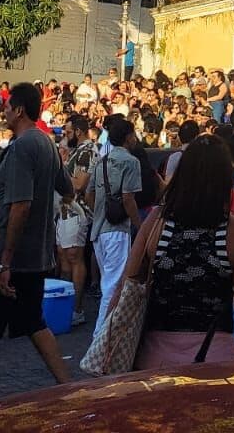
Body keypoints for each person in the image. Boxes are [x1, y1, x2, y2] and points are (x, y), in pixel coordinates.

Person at [0, 82, 75, 401]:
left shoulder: (21, 147)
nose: (2, 112)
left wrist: (5, 261)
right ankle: (70, 389)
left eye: (6, 107)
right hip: (36, 255)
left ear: (18, 110)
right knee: (33, 322)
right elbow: (67, 188)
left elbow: (21, 205)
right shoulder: (46, 143)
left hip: (6, 254)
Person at [125, 136, 234, 367]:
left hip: (155, 356)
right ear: (226, 179)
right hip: (215, 354)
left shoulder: (157, 222)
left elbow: (129, 282)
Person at [88, 115, 141, 331]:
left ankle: (103, 333)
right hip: (117, 230)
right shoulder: (131, 162)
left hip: (98, 230)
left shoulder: (101, 161)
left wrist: (100, 212)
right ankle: (101, 335)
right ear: (128, 137)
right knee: (113, 287)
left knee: (108, 283)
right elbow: (128, 199)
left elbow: (89, 194)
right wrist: (140, 226)